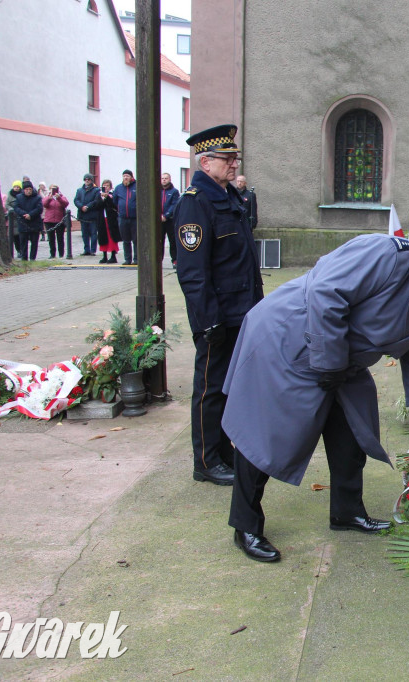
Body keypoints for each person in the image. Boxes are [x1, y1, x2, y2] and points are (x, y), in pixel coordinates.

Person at [222, 227, 409, 562]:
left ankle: (346, 512)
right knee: (266, 439)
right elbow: (325, 292)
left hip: (338, 358)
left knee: (353, 431)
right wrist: (329, 363)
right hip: (291, 342)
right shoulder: (383, 253)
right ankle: (246, 526)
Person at [174, 125, 263, 487]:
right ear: (205, 161)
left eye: (235, 158)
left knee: (230, 388)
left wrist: (258, 310)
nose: (233, 164)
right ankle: (206, 461)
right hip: (217, 318)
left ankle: (224, 450)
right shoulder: (195, 202)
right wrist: (207, 320)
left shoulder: (231, 198)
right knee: (209, 389)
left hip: (241, 313)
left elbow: (245, 264)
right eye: (227, 159)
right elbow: (193, 273)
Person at [12, 180, 44, 261]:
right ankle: (24, 258)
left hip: (34, 222)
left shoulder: (37, 197)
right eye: (26, 189)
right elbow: (16, 207)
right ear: (23, 190)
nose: (28, 191)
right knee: (23, 242)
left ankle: (33, 258)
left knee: (34, 242)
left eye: (30, 189)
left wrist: (30, 215)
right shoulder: (19, 197)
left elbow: (39, 208)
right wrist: (24, 214)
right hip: (23, 222)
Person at [113, 170, 138, 264]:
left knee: (136, 240)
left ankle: (136, 259)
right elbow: (115, 201)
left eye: (127, 176)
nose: (125, 178)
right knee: (126, 240)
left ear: (131, 177)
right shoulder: (118, 188)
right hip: (123, 218)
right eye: (124, 176)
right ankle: (127, 259)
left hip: (135, 218)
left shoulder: (137, 186)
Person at [74, 173, 101, 256]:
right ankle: (86, 250)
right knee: (84, 234)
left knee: (93, 234)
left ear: (91, 180)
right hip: (83, 215)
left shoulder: (96, 190)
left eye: (88, 179)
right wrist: (81, 206)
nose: (87, 181)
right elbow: (76, 200)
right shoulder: (79, 190)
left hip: (92, 215)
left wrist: (88, 207)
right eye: (85, 179)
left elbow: (96, 201)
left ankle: (93, 250)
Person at [42, 185, 70, 259]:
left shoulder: (61, 197)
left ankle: (61, 254)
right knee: (51, 238)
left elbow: (65, 204)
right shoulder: (47, 197)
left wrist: (59, 198)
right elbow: (44, 204)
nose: (53, 190)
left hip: (59, 220)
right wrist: (49, 199)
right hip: (49, 220)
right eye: (51, 189)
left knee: (60, 238)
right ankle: (52, 254)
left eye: (54, 189)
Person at [97, 179, 120, 264]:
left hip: (111, 219)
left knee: (112, 237)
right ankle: (104, 256)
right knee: (103, 237)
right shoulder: (99, 195)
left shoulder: (112, 195)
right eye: (104, 185)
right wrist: (102, 198)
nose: (106, 187)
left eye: (107, 185)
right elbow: (97, 205)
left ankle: (113, 256)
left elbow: (114, 205)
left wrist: (107, 198)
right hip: (102, 219)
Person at [160, 173, 180, 266]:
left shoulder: (174, 191)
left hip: (170, 220)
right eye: (162, 178)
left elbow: (174, 205)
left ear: (169, 179)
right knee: (159, 241)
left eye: (166, 178)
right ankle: (158, 260)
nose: (164, 180)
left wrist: (166, 215)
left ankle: (175, 260)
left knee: (173, 241)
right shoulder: (157, 190)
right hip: (159, 221)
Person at [6, 181, 23, 258]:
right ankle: (18, 251)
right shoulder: (10, 195)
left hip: (21, 217)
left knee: (21, 236)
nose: (16, 188)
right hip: (13, 218)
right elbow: (7, 204)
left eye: (18, 187)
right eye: (15, 187)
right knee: (15, 236)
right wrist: (11, 209)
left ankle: (22, 250)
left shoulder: (22, 195)